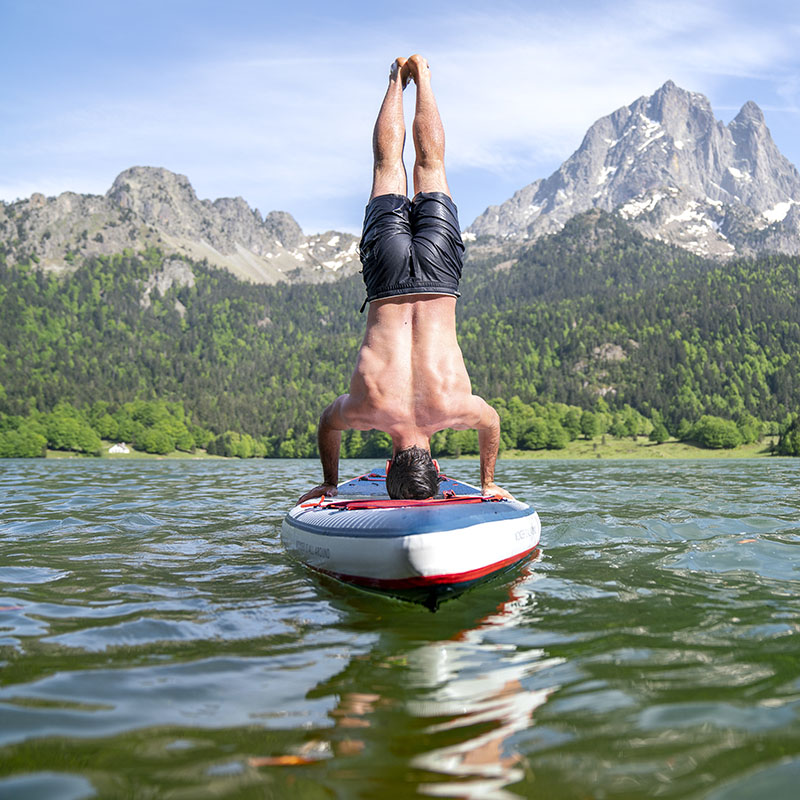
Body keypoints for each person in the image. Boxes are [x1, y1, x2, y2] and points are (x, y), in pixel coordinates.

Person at [299, 55, 511, 503]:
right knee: (386, 167)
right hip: (385, 282)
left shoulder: (456, 408)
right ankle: (399, 77)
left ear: (432, 465)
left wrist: (490, 478)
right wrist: (330, 478)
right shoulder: (364, 409)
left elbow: (490, 423)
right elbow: (326, 424)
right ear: (392, 464)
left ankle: (424, 77)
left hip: (439, 278)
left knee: (430, 167)